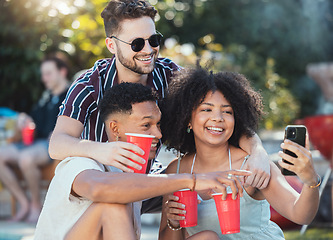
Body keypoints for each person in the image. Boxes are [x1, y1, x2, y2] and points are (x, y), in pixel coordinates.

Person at [48, 0, 270, 214]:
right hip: (98, 188)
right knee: (117, 205)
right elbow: (57, 144)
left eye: (153, 40)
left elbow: (218, 115)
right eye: (137, 43)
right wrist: (102, 151)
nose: (148, 50)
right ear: (111, 45)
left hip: (148, 185)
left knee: (201, 191)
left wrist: (258, 152)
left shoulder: (170, 76)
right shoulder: (90, 85)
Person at [34, 82, 251, 240]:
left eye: (158, 125)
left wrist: (174, 223)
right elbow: (101, 188)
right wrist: (192, 180)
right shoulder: (83, 162)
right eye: (146, 125)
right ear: (115, 129)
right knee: (113, 207)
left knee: (207, 239)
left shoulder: (134, 174)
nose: (157, 134)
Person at [159, 68, 320, 239]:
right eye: (207, 109)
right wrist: (174, 223)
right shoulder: (175, 171)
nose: (218, 118)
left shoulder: (251, 165)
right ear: (187, 119)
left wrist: (311, 180)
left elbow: (301, 215)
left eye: (227, 111)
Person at [0, 57, 69, 223]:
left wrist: (61, 132)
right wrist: (24, 120)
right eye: (43, 74)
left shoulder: (71, 95)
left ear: (62, 72)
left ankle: (37, 207)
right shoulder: (45, 98)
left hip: (52, 145)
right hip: (33, 144)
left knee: (26, 158)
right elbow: (34, 123)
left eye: (48, 74)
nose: (44, 78)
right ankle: (25, 204)